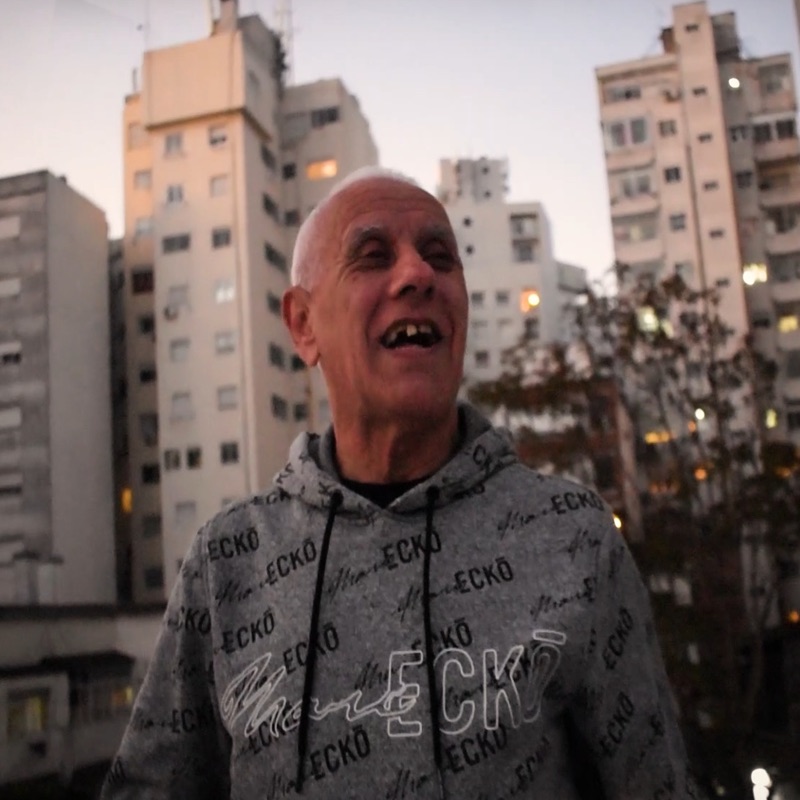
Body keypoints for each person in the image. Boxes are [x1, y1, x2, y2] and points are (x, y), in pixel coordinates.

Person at [101, 167, 700, 799]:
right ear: (303, 325)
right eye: (372, 256)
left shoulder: (572, 536)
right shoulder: (226, 562)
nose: (418, 274)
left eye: (441, 256)